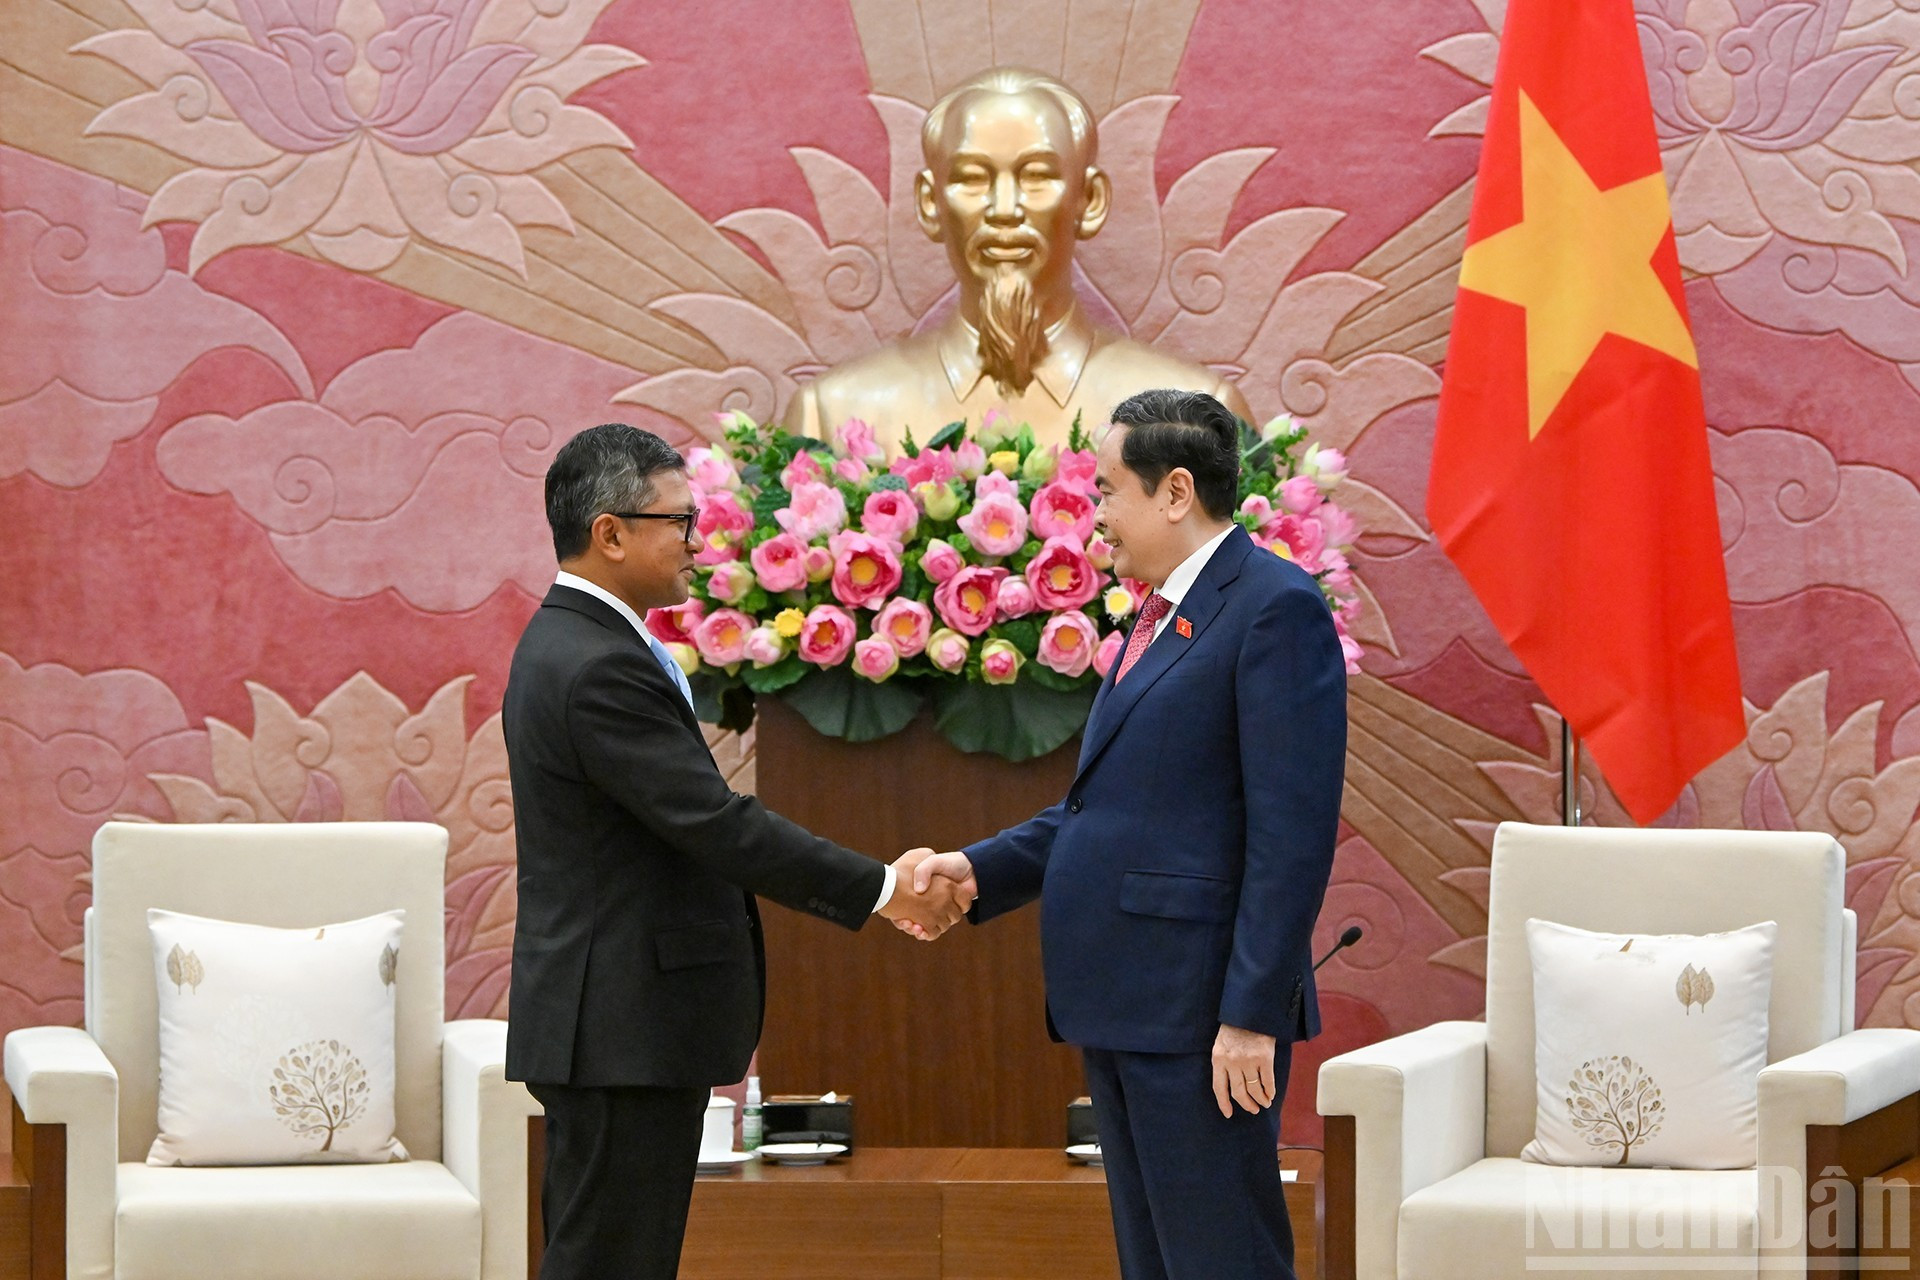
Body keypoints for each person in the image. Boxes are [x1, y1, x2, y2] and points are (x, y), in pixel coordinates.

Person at [502, 423, 974, 1280]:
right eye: (678, 523)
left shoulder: (585, 644)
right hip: (620, 1024)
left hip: (621, 1024)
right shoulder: (594, 663)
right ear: (609, 533)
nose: (696, 542)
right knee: (609, 1261)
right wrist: (881, 888)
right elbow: (715, 823)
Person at [908, 390, 1347, 1279]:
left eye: (1108, 491)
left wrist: (1250, 1017)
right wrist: (975, 868)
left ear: (1175, 490)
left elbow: (1291, 833)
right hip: (1130, 1005)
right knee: (1156, 1263)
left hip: (1203, 1015)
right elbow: (1107, 810)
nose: (1096, 517)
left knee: (1221, 1260)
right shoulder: (1157, 613)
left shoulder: (1272, 607)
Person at [783, 66, 1253, 453]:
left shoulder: (1199, 420)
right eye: (971, 178)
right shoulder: (831, 414)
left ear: (1089, 200)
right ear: (929, 203)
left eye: (1036, 176)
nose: (1003, 209)